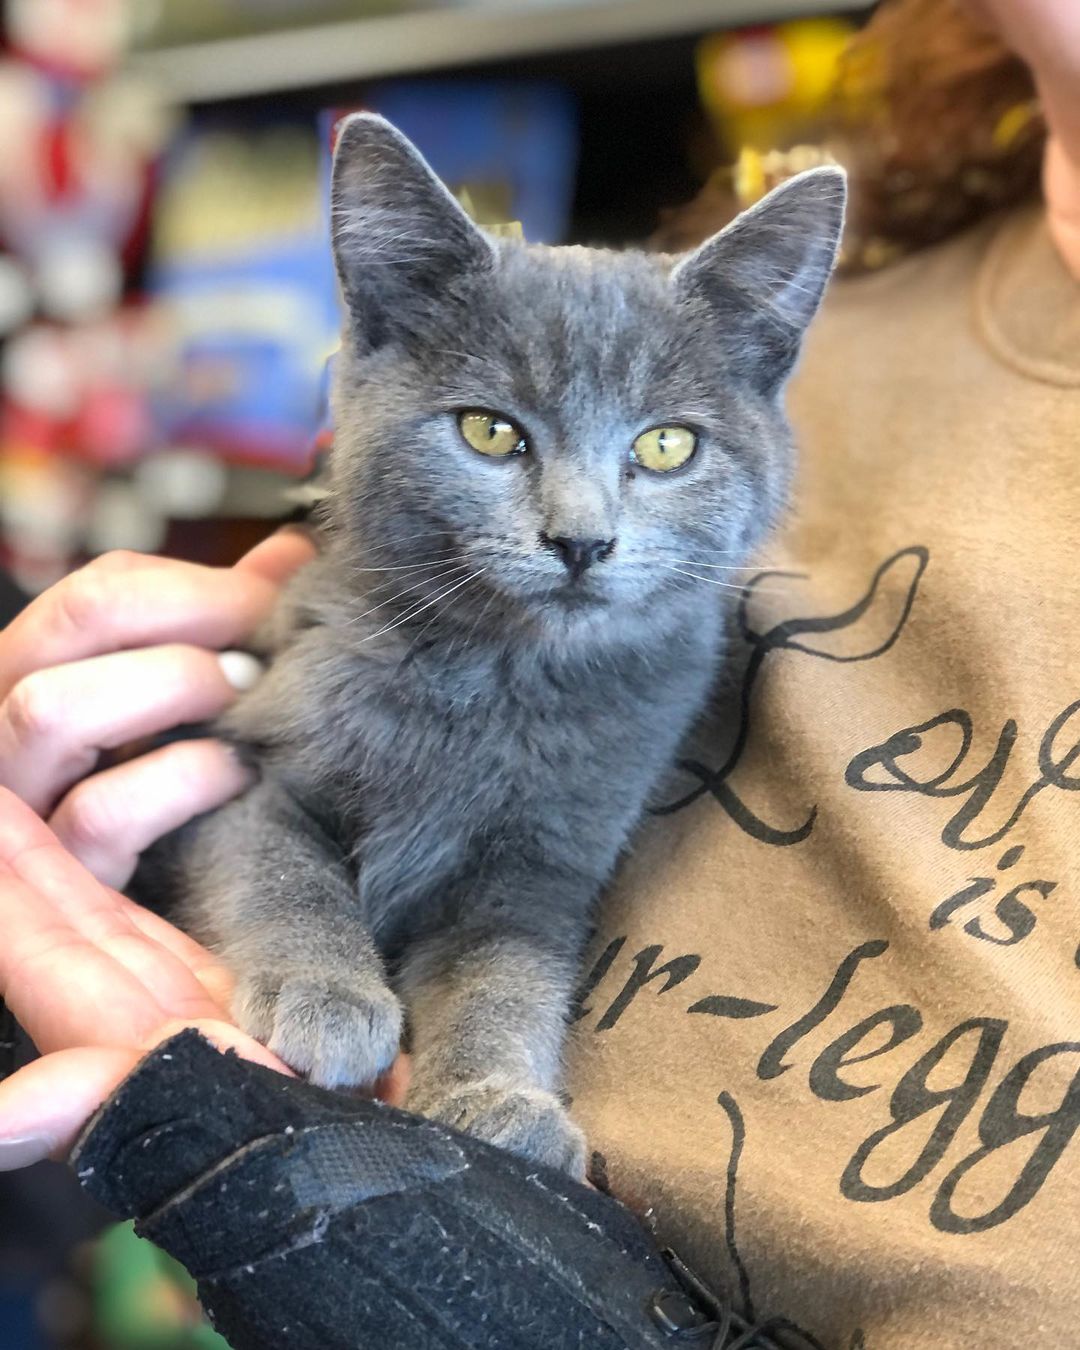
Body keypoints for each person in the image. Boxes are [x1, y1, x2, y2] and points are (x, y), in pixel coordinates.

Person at [0, 0, 1077, 1344]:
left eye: (663, 451)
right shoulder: (890, 261)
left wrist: (487, 1073)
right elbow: (267, 783)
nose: (582, 519)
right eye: (497, 431)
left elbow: (519, 900)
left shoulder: (678, 582)